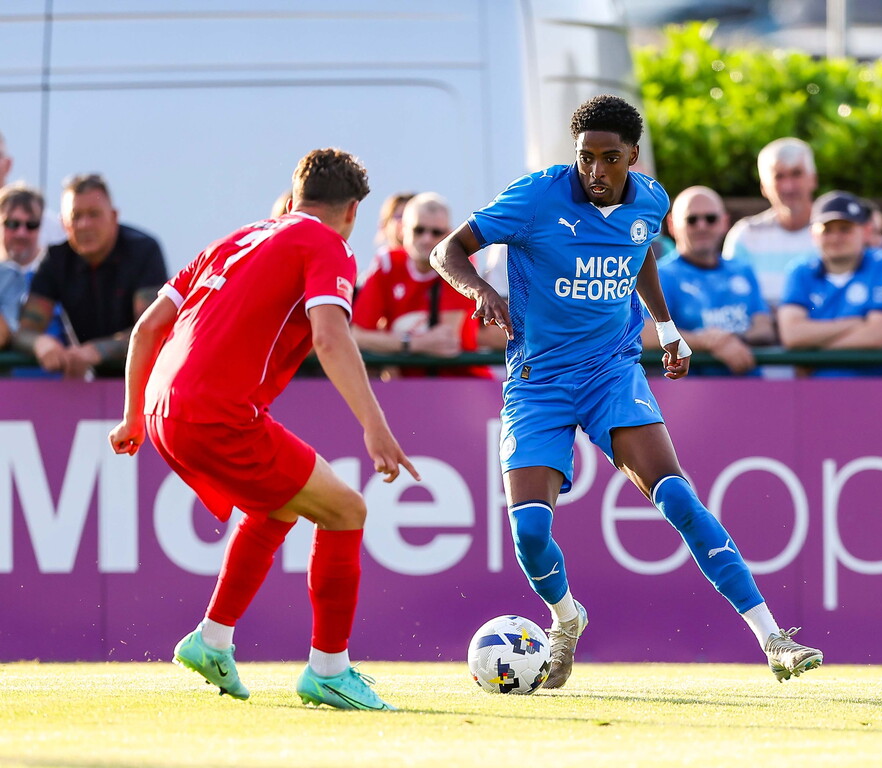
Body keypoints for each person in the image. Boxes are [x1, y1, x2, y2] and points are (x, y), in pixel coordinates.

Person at [431, 94, 822, 688]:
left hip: (612, 373)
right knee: (531, 534)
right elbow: (445, 249)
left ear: (633, 157)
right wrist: (480, 292)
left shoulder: (651, 200)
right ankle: (566, 618)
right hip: (538, 382)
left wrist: (667, 330)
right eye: (586, 158)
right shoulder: (536, 196)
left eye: (609, 159)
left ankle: (773, 639)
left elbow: (640, 254)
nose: (595, 172)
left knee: (679, 500)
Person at [108, 147, 418, 711]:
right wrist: (376, 427)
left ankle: (213, 639)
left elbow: (147, 328)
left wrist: (132, 413)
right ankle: (329, 669)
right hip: (217, 412)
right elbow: (329, 338)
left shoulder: (235, 237)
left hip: (161, 408)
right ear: (351, 211)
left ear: (295, 196)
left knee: (278, 505)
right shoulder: (328, 244)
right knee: (347, 510)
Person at [13, 173, 167, 378]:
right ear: (63, 224)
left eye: (94, 214)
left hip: (149, 380)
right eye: (76, 216)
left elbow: (151, 329)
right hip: (92, 383)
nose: (84, 224)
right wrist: (41, 344)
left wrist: (97, 351)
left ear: (114, 216)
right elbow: (24, 331)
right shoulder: (55, 259)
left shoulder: (144, 251)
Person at [352, 192, 495, 378]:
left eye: (436, 232)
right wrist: (411, 343)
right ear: (403, 229)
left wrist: (389, 343)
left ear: (449, 234)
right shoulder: (387, 263)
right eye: (418, 230)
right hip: (406, 386)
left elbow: (445, 341)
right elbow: (356, 336)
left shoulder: (460, 261)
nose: (427, 239)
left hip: (461, 382)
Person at [641, 185, 774, 376]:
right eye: (691, 220)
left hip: (749, 388)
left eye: (710, 219)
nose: (701, 226)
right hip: (689, 393)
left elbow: (764, 327)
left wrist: (730, 340)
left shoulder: (743, 269)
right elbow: (643, 332)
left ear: (724, 222)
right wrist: (706, 342)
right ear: (671, 224)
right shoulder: (658, 275)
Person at [778, 191, 882, 376]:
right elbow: (792, 334)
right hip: (815, 393)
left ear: (866, 231)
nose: (836, 238)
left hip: (875, 390)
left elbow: (878, 335)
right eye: (827, 230)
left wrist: (814, 358)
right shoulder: (800, 271)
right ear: (812, 234)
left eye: (845, 229)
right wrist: (855, 323)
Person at [722, 137, 819, 306]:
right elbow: (732, 297)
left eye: (796, 173)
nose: (789, 186)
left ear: (813, 179)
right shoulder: (745, 234)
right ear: (763, 188)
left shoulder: (837, 231)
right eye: (778, 177)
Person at [0, 184, 45, 347]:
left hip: (57, 371)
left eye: (31, 224)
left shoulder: (57, 273)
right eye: (12, 224)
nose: (21, 232)